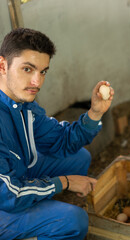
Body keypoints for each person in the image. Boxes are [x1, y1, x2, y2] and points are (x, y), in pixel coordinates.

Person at [0, 28, 114, 240]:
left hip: (16, 176)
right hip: (4, 204)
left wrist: (95, 113)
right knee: (73, 221)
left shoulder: (23, 105)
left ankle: (40, 213)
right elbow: (8, 195)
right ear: (3, 66)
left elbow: (62, 140)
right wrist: (65, 182)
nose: (37, 82)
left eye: (43, 71)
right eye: (27, 69)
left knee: (79, 157)